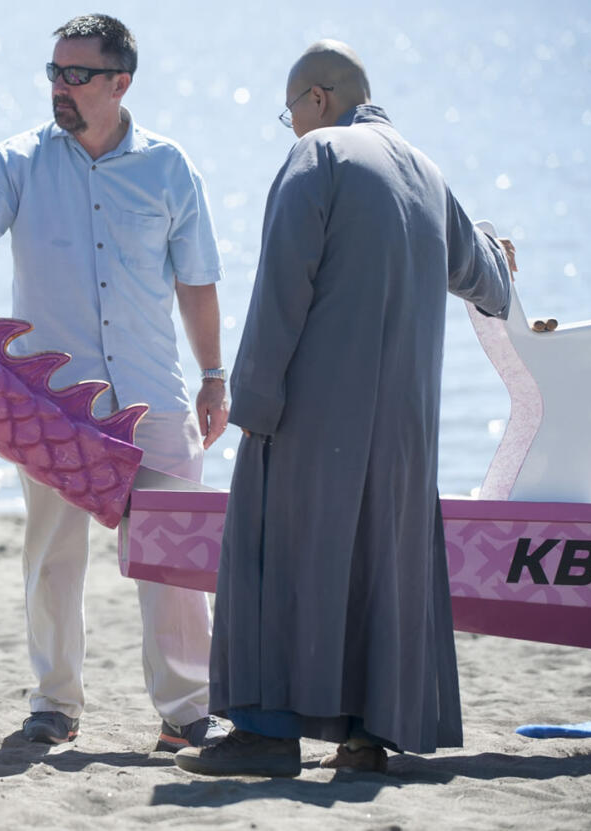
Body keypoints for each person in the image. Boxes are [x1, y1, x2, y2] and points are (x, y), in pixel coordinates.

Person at [174, 40, 516, 777]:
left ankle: (265, 736)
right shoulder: (427, 171)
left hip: (314, 412)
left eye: (289, 112)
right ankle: (365, 738)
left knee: (269, 561)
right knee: (375, 570)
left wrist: (253, 400)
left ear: (318, 100)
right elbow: (486, 278)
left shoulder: (319, 154)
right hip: (405, 432)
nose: (290, 126)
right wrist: (495, 249)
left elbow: (281, 284)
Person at [0, 14, 229, 750]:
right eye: (54, 73)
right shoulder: (16, 162)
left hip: (154, 401)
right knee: (52, 557)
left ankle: (187, 710)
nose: (60, 88)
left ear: (119, 82)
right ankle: (54, 704)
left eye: (77, 75)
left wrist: (213, 374)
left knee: (172, 559)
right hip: (55, 405)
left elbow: (198, 282)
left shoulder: (170, 168)